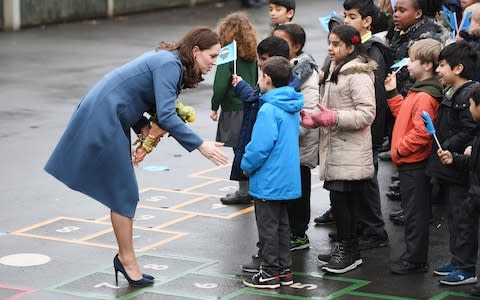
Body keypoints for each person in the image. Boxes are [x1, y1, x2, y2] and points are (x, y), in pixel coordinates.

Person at [44, 26, 229, 287]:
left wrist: (143, 127)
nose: (214, 62)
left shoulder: (170, 61)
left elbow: (133, 94)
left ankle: (126, 259)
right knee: (124, 193)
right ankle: (126, 260)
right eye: (212, 56)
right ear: (195, 51)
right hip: (104, 116)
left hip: (112, 114)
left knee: (123, 193)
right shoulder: (170, 64)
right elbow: (165, 115)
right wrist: (201, 145)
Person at [301, 24, 376, 274]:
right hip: (335, 150)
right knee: (338, 200)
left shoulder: (358, 74)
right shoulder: (336, 68)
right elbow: (326, 107)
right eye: (329, 43)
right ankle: (348, 247)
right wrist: (314, 118)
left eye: (336, 44)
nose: (330, 48)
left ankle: (349, 250)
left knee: (345, 203)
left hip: (350, 152)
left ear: (351, 47)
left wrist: (333, 118)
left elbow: (367, 114)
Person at [233, 36, 301, 273]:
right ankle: (284, 270)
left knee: (268, 228)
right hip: (286, 178)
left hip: (269, 179)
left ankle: (270, 272)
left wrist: (246, 164)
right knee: (282, 225)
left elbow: (260, 146)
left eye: (260, 74)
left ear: (268, 79)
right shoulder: (291, 105)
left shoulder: (269, 109)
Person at [383, 38, 443, 275]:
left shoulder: (426, 96)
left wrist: (398, 150)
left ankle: (416, 260)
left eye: (413, 60)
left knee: (416, 215)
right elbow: (404, 115)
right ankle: (412, 256)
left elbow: (421, 133)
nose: (407, 64)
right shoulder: (417, 91)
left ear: (427, 65)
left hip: (414, 163)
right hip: (408, 162)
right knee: (412, 213)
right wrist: (392, 93)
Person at [426, 41, 480, 285]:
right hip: (451, 167)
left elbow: (469, 129)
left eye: (443, 65)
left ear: (458, 68)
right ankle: (457, 260)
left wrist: (447, 145)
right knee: (454, 218)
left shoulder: (469, 94)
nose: (438, 70)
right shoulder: (452, 92)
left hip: (460, 168)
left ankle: (466, 267)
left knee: (463, 220)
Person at [341, 0, 390, 250]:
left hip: (368, 127)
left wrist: (371, 129)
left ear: (367, 21)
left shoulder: (373, 49)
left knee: (367, 179)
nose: (346, 21)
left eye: (352, 17)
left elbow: (377, 97)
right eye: (345, 16)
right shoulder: (357, 46)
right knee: (357, 179)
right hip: (356, 125)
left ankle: (375, 231)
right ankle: (361, 225)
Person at [272, 23, 320, 252]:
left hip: (299, 144)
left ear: (297, 47)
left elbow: (309, 112)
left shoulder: (305, 73)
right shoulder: (280, 68)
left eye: (283, 43)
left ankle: (299, 233)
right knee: (287, 192)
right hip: (286, 142)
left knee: (299, 190)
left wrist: (286, 131)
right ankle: (290, 231)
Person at [437, 84, 480, 297]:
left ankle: (466, 269)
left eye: (472, 106)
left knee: (468, 230)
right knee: (462, 224)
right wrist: (455, 158)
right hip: (474, 192)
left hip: (475, 193)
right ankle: (461, 264)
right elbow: (473, 162)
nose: (470, 111)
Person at [211, 12, 258, 205]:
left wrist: (214, 106)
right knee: (248, 147)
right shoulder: (252, 53)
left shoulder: (226, 54)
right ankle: (252, 188)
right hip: (250, 103)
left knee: (240, 150)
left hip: (233, 107)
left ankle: (244, 191)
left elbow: (221, 83)